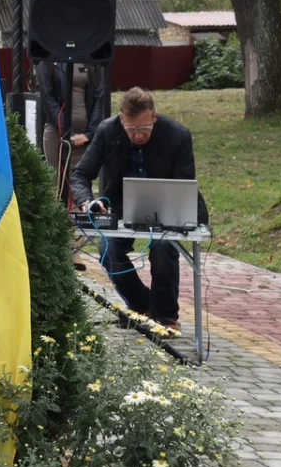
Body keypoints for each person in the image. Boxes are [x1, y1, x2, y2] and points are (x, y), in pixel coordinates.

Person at [70, 87, 201, 329]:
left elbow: (185, 182)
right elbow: (80, 175)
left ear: (155, 117)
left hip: (167, 208)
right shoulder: (107, 131)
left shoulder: (178, 134)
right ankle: (142, 307)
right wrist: (87, 202)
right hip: (118, 205)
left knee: (163, 249)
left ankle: (165, 315)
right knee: (108, 251)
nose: (138, 135)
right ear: (122, 120)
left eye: (144, 128)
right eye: (132, 129)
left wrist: (174, 209)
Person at [42, 59, 108, 181]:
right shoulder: (50, 59)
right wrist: (68, 132)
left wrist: (89, 134)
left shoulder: (91, 59)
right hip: (57, 132)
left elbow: (99, 97)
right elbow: (48, 98)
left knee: (80, 184)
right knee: (56, 184)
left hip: (84, 136)